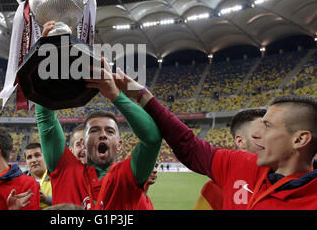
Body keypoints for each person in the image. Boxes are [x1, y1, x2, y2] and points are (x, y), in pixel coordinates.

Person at [113, 68, 317, 209]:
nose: (255, 134)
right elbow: (188, 146)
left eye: (267, 126)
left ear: (300, 139)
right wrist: (142, 95)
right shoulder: (241, 163)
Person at [35, 20, 162, 209]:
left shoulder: (127, 175)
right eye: (94, 130)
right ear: (83, 144)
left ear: (119, 144)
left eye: (110, 131)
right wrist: (48, 54)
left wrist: (116, 95)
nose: (102, 134)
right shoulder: (65, 169)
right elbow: (45, 117)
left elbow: (152, 138)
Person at [193, 108, 266, 210]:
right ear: (240, 141)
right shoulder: (215, 189)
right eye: (260, 136)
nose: (269, 140)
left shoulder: (279, 180)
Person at [24, 142, 52, 209]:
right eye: (29, 157)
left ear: (46, 156)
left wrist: (46, 199)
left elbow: (66, 203)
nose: (33, 160)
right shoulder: (20, 181)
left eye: (37, 155)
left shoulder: (57, 178)